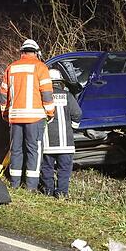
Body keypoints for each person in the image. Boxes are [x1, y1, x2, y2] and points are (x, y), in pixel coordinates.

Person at [0, 39, 54, 189]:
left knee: (15, 150)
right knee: (33, 151)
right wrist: (50, 112)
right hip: (34, 117)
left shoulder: (11, 68)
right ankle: (31, 186)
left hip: (15, 117)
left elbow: (3, 94)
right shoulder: (40, 67)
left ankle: (14, 184)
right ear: (36, 52)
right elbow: (47, 94)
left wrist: (5, 113)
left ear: (22, 52)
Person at [41, 68, 82, 197]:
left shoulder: (42, 97)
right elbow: (77, 113)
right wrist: (73, 127)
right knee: (64, 170)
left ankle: (48, 191)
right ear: (60, 82)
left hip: (48, 143)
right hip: (66, 143)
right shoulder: (68, 96)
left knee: (47, 168)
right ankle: (62, 193)